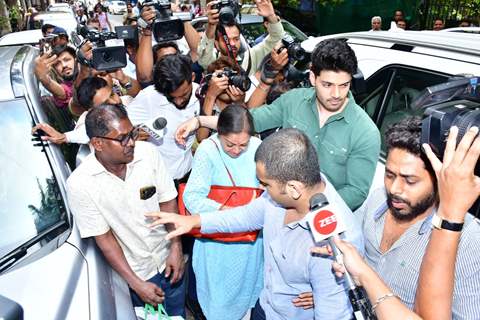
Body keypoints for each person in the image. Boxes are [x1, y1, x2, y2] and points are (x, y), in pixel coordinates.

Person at [147, 128, 364, 319]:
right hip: (266, 304)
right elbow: (246, 216)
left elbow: (332, 313)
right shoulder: (301, 182)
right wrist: (194, 220)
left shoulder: (334, 242)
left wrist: (324, 293)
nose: (261, 188)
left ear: (293, 188)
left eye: (265, 184)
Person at [176, 39, 381, 210]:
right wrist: (200, 121)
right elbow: (250, 120)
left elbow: (355, 192)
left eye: (344, 86)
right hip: (280, 211)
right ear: (312, 77)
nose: (336, 94)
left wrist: (308, 208)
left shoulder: (365, 131)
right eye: (327, 85)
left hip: (326, 221)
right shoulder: (293, 101)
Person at [313, 123, 480, 319]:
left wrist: (365, 275)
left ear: (440, 180)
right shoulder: (377, 200)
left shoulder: (468, 241)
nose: (394, 189)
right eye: (389, 175)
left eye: (410, 181)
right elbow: (353, 257)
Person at [66, 104, 186, 317]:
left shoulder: (148, 154)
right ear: (98, 143)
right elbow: (105, 240)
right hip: (137, 275)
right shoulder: (80, 184)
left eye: (132, 133)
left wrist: (176, 248)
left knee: (177, 314)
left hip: (170, 261)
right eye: (122, 138)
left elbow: (168, 202)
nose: (131, 142)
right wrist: (135, 283)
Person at [183, 104, 263, 319]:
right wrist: (227, 212)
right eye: (230, 144)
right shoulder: (208, 150)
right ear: (220, 134)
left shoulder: (258, 147)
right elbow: (192, 198)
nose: (237, 150)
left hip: (250, 246)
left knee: (247, 302)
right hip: (216, 246)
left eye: (242, 145)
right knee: (216, 303)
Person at [128, 54, 200, 183]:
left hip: (189, 176)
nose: (178, 102)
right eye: (171, 97)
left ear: (192, 78)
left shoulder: (200, 94)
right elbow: (121, 126)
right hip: (158, 181)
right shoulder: (149, 97)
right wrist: (135, 134)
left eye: (184, 95)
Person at [197, 0, 284, 76]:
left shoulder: (250, 58)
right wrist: (211, 26)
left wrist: (271, 16)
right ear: (216, 43)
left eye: (236, 39)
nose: (232, 44)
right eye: (226, 39)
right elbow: (204, 54)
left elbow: (276, 38)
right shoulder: (211, 60)